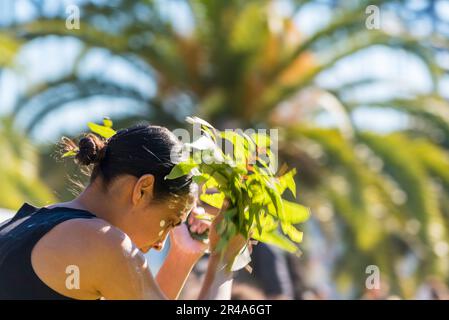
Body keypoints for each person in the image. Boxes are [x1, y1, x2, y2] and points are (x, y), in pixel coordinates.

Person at [0, 124, 247, 299]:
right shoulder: (104, 243)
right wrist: (224, 259)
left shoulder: (29, 220)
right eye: (170, 220)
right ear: (142, 189)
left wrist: (181, 257)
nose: (162, 244)